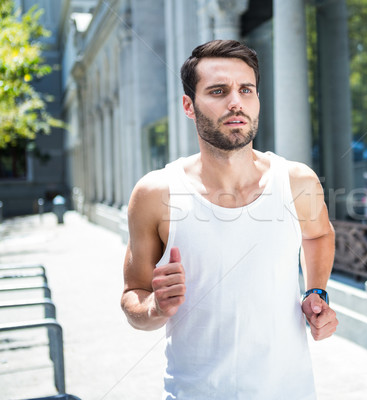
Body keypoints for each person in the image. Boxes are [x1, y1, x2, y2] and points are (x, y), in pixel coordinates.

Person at [120, 39, 338, 399]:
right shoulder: (155, 193)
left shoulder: (297, 181)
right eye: (219, 91)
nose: (236, 102)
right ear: (189, 106)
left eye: (246, 90)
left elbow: (318, 235)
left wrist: (316, 292)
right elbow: (133, 298)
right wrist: (155, 308)